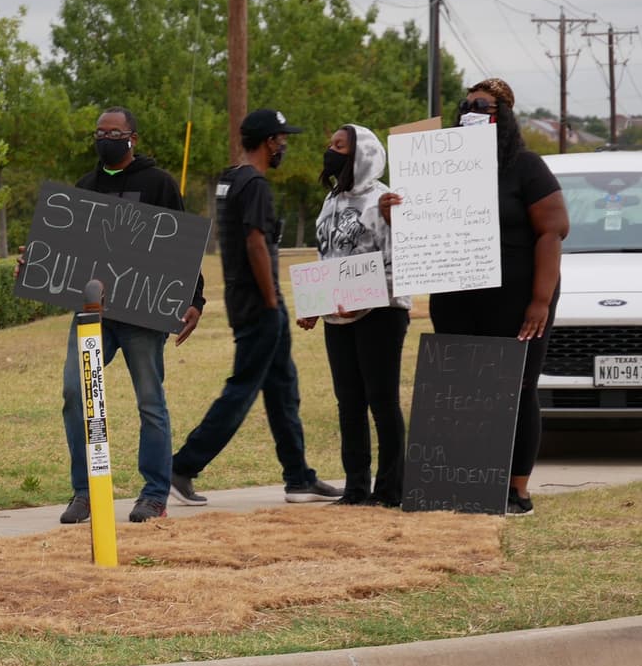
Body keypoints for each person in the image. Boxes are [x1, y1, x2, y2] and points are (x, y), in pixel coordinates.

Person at [380, 78, 569, 515]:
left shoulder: (525, 166)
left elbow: (554, 229)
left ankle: (516, 490)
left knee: (517, 389)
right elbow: (424, 228)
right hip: (459, 292)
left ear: (502, 116)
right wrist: (396, 214)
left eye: (482, 106)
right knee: (462, 390)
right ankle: (462, 483)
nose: (471, 111)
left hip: (519, 295)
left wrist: (540, 300)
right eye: (465, 105)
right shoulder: (442, 168)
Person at [26, 106, 205, 525]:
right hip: (93, 314)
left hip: (143, 313)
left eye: (114, 132)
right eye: (99, 132)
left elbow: (184, 246)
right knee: (76, 393)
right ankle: (86, 491)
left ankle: (154, 494)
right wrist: (38, 264)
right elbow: (67, 250)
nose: (105, 138)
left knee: (149, 402)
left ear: (133, 138)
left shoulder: (158, 182)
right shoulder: (84, 186)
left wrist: (194, 298)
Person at [170, 108, 342, 504]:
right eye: (282, 139)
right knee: (243, 388)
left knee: (283, 389)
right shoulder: (257, 185)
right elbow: (254, 243)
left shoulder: (230, 179)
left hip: (240, 298)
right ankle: (182, 466)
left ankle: (299, 477)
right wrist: (271, 300)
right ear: (269, 142)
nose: (285, 146)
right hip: (259, 303)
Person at [297, 124, 411, 507]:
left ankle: (390, 489)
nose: (330, 151)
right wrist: (315, 304)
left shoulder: (385, 199)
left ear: (360, 154)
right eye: (329, 144)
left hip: (381, 314)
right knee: (348, 403)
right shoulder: (331, 200)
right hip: (338, 318)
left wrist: (366, 299)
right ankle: (356, 487)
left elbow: (400, 260)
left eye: (339, 146)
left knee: (382, 400)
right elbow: (326, 256)